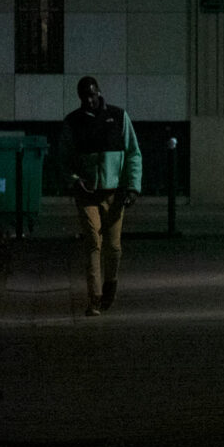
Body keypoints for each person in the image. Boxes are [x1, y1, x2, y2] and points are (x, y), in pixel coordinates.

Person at [60, 77, 142, 316]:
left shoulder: (118, 117)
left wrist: (132, 187)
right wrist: (75, 182)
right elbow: (64, 159)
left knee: (114, 247)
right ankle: (95, 298)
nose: (89, 100)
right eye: (85, 96)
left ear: (99, 93)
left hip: (113, 193)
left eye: (92, 95)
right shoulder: (73, 123)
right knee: (94, 244)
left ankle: (110, 284)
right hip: (88, 194)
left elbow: (133, 153)